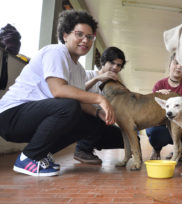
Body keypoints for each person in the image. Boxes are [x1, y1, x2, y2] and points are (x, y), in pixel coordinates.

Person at [0, 10, 122, 176]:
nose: (85, 40)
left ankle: (43, 153)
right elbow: (58, 90)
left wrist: (98, 113)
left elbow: (79, 101)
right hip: (10, 116)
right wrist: (100, 99)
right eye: (79, 34)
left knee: (90, 122)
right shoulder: (56, 52)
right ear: (65, 35)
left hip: (33, 117)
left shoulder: (78, 69)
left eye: (90, 37)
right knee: (68, 106)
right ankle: (28, 158)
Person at [73, 46, 126, 164]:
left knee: (129, 138)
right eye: (112, 63)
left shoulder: (116, 86)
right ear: (103, 61)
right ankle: (82, 150)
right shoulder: (87, 74)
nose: (115, 67)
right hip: (82, 118)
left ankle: (94, 142)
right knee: (97, 117)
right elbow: (75, 92)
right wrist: (97, 79)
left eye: (119, 65)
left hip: (101, 123)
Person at [146, 53, 182, 162]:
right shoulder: (159, 85)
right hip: (162, 125)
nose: (179, 66)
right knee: (155, 133)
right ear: (170, 64)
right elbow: (154, 111)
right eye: (176, 62)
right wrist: (157, 95)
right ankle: (156, 149)